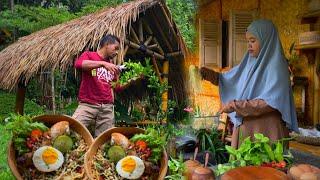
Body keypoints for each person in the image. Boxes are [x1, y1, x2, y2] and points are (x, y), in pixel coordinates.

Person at [201, 19, 299, 148]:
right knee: (243, 167)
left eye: (253, 41)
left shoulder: (277, 68)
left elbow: (271, 102)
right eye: (248, 41)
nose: (249, 46)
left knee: (265, 166)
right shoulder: (250, 62)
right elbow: (229, 80)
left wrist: (236, 105)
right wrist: (206, 74)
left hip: (267, 132)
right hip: (246, 131)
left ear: (266, 40)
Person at [72, 34, 121, 137]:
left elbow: (116, 87)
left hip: (106, 108)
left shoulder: (112, 66)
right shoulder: (89, 55)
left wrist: (132, 80)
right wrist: (103, 64)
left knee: (104, 141)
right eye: (115, 48)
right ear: (107, 44)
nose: (117, 52)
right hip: (88, 105)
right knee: (72, 131)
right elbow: (79, 64)